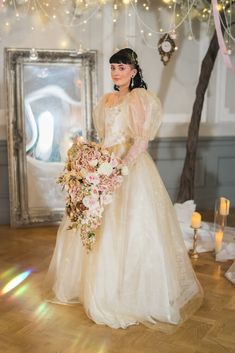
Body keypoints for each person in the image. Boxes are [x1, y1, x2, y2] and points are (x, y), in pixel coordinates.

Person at [44, 48, 203, 331]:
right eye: (113, 67)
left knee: (130, 225)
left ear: (133, 71)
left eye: (121, 67)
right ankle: (96, 287)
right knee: (98, 224)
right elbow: (105, 137)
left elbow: (141, 141)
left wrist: (120, 168)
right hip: (103, 166)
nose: (116, 72)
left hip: (130, 168)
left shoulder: (139, 98)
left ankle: (129, 293)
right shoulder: (106, 100)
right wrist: (95, 162)